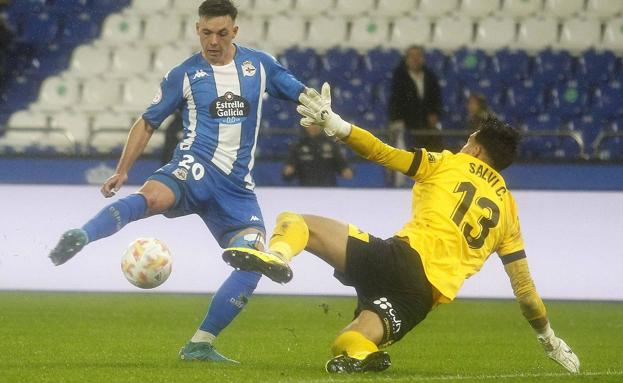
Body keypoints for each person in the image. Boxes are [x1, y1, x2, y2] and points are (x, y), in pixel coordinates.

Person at [222, 83, 580, 374]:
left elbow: (383, 153)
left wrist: (337, 126)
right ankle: (363, 357)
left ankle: (278, 256)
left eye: (468, 140)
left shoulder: (449, 163)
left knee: (297, 221)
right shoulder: (509, 212)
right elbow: (525, 291)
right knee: (348, 343)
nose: (463, 144)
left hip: (398, 259)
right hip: (419, 298)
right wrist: (549, 338)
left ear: (477, 148)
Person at [48, 0, 305, 363]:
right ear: (197, 30)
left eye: (220, 33)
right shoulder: (184, 74)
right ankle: (81, 235)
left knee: (256, 260)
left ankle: (200, 344)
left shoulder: (258, 65)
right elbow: (148, 121)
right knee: (150, 198)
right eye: (205, 33)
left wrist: (315, 111)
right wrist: (123, 170)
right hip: (194, 168)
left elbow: (298, 92)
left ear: (234, 32)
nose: (212, 41)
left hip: (237, 191)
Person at [388, 45, 443, 152]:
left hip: (426, 124)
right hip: (407, 124)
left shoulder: (430, 77)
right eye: (412, 56)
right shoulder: (399, 77)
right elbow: (396, 100)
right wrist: (398, 120)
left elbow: (436, 99)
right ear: (407, 59)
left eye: (418, 56)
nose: (415, 59)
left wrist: (434, 113)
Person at [282, 123, 353, 186]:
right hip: (305, 189)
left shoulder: (331, 145)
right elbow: (289, 170)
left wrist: (345, 170)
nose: (314, 127)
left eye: (316, 124)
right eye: (311, 124)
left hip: (328, 188)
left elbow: (342, 164)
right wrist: (288, 171)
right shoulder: (299, 145)